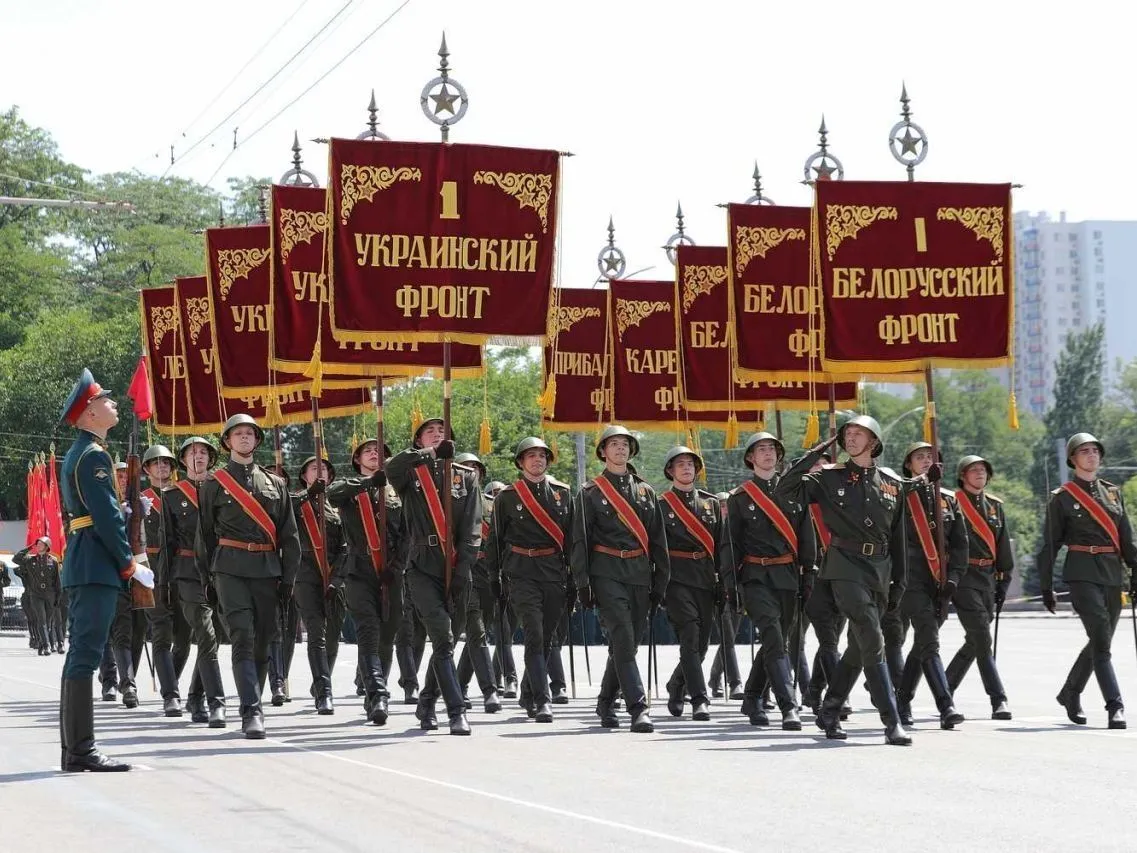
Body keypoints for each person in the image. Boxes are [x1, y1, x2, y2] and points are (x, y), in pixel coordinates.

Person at [783, 416, 927, 746]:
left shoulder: (891, 483)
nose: (850, 438)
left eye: (857, 433)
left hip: (880, 569)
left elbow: (898, 538)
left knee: (859, 648)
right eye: (847, 434)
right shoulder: (829, 477)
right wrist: (819, 449)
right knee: (871, 636)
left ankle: (830, 709)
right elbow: (786, 488)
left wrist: (899, 583)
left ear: (874, 441)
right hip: (844, 566)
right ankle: (891, 720)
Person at [56, 368, 155, 771]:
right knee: (85, 656)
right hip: (96, 562)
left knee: (81, 655)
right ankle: (80, 751)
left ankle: (75, 750)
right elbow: (107, 519)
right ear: (89, 413)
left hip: (87, 560)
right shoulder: (94, 455)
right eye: (105, 400)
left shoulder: (83, 452)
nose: (113, 404)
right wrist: (128, 562)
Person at [196, 414, 301, 739]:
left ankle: (252, 699)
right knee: (242, 636)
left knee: (264, 640)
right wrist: (208, 579)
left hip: (267, 570)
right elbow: (205, 536)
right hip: (229, 568)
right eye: (237, 434)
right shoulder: (214, 484)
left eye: (249, 434)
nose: (244, 438)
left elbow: (290, 537)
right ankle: (251, 711)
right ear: (227, 442)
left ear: (257, 441)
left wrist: (287, 581)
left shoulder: (276, 484)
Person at [571, 425, 670, 733]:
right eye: (613, 444)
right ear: (602, 451)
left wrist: (661, 582)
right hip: (607, 572)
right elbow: (580, 541)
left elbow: (658, 541)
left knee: (627, 644)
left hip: (640, 574)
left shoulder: (646, 491)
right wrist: (583, 583)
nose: (620, 449)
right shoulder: (591, 492)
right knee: (624, 640)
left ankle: (605, 700)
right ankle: (638, 707)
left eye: (625, 444)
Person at [386, 418, 481, 735]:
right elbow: (390, 465)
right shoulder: (411, 472)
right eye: (430, 432)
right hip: (422, 564)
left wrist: (463, 569)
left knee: (448, 642)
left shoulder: (465, 477)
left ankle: (427, 701)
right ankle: (456, 711)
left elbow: (472, 528)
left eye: (442, 432)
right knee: (442, 636)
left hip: (457, 565)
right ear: (419, 440)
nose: (437, 435)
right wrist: (427, 453)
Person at [1038, 433, 1137, 730]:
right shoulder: (1062, 497)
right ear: (1073, 459)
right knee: (1102, 641)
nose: (1092, 455)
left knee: (1100, 639)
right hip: (1081, 572)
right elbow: (1050, 545)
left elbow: (1127, 539)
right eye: (1084, 451)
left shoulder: (1113, 493)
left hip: (1111, 572)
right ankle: (1115, 706)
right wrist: (1046, 586)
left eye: (1095, 450)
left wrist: (1134, 572)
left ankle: (1070, 692)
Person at [722, 432, 815, 730]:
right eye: (761, 449)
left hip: (787, 575)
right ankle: (788, 705)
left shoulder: (794, 491)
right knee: (774, 638)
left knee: (777, 640)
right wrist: (731, 585)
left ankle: (752, 697)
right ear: (750, 457)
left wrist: (809, 572)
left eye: (772, 449)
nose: (767, 454)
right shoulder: (741, 497)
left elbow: (806, 534)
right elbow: (730, 545)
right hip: (755, 576)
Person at [485, 437, 573, 723]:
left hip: (553, 571)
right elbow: (495, 541)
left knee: (548, 638)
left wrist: (576, 577)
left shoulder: (562, 494)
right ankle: (542, 699)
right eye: (531, 456)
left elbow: (573, 540)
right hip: (521, 571)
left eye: (542, 456)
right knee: (534, 634)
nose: (538, 460)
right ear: (521, 462)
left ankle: (527, 691)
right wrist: (494, 576)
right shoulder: (508, 497)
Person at [328, 439, 407, 725]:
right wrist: (368, 483)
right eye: (369, 451)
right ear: (358, 459)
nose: (375, 454)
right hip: (359, 570)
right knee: (368, 633)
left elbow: (408, 534)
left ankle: (375, 690)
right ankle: (378, 694)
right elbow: (332, 493)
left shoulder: (396, 492)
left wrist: (396, 567)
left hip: (391, 572)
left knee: (387, 635)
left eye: (381, 452)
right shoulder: (350, 489)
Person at [891, 442, 967, 730]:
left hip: (939, 581)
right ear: (909, 465)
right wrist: (922, 482)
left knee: (922, 643)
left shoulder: (949, 499)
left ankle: (902, 698)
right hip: (911, 578)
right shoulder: (901, 493)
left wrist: (954, 579)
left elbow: (960, 546)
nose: (927, 461)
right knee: (929, 639)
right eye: (920, 458)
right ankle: (946, 705)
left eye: (932, 458)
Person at [945, 454, 1013, 720]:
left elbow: (1003, 546)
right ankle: (998, 698)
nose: (979, 474)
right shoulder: (952, 502)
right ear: (962, 476)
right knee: (983, 638)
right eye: (973, 470)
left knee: (975, 640)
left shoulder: (995, 506)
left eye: (983, 470)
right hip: (964, 576)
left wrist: (1004, 580)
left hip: (987, 577)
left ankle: (946, 685)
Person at [165, 437, 227, 727]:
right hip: (187, 572)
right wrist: (162, 584)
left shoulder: (222, 490)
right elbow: (166, 545)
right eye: (192, 453)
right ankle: (215, 702)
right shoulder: (171, 496)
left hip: (218, 570)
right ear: (183, 460)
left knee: (210, 636)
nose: (198, 457)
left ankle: (195, 695)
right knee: (205, 633)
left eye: (204, 452)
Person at [657, 446, 721, 722]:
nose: (686, 468)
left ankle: (676, 683)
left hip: (705, 578)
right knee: (690, 637)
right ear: (670, 471)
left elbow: (721, 545)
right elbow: (655, 548)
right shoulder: (661, 505)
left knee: (703, 644)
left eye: (691, 464)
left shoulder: (710, 503)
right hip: (676, 578)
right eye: (680, 464)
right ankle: (699, 698)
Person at [291, 454, 349, 715]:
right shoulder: (295, 500)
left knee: (334, 634)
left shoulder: (337, 504)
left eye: (324, 468)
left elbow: (347, 545)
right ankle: (324, 692)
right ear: (304, 475)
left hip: (334, 574)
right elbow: (284, 511)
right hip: (305, 574)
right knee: (317, 632)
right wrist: (307, 495)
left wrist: (337, 578)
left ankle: (320, 679)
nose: (320, 472)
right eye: (314, 468)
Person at [141, 444, 193, 717]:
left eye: (166, 464)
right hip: (152, 571)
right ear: (147, 469)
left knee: (184, 638)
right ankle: (171, 695)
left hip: (181, 569)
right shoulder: (140, 500)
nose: (162, 467)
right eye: (156, 463)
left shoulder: (182, 495)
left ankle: (169, 681)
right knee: (161, 636)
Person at [453, 452, 504, 714]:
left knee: (478, 633)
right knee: (476, 631)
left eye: (475, 468)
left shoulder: (493, 505)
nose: (471, 471)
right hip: (463, 570)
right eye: (466, 467)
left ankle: (460, 685)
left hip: (486, 572)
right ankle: (489, 690)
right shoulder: (450, 502)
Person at [708, 491, 744, 700]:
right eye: (720, 506)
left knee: (728, 637)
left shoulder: (737, 529)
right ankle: (735, 682)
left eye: (727, 506)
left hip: (736, 586)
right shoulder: (711, 527)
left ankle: (714, 678)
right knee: (727, 635)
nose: (724, 510)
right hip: (716, 586)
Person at [13, 537, 60, 655]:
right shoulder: (30, 560)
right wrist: (29, 547)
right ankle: (46, 645)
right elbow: (16, 559)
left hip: (49, 594)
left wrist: (57, 598)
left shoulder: (53, 561)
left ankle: (41, 643)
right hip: (36, 594)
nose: (38, 546)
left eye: (41, 544)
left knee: (48, 622)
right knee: (41, 620)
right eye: (37, 544)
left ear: (47, 546)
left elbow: (57, 582)